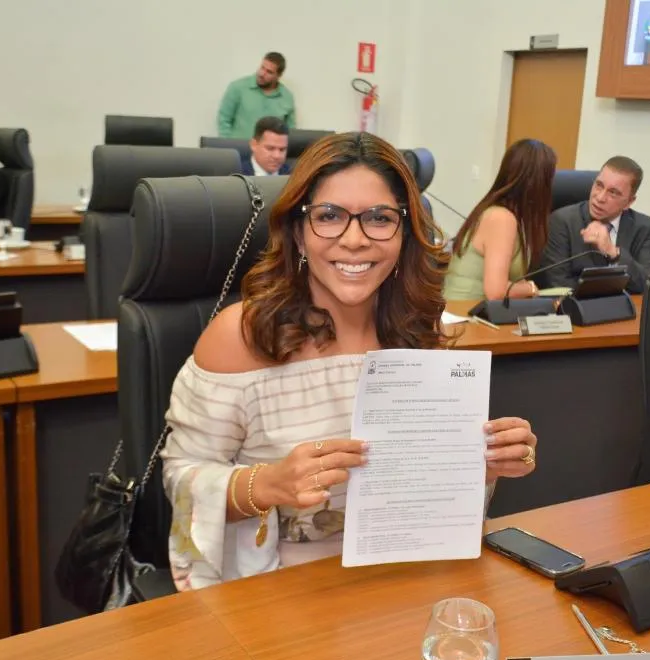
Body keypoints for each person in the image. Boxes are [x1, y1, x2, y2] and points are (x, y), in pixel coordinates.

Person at [161, 132, 538, 590]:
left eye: (379, 218)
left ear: (404, 234)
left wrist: (482, 463)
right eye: (329, 216)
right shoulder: (239, 336)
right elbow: (180, 481)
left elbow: (419, 489)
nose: (355, 239)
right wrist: (269, 484)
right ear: (298, 233)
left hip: (400, 575)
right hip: (277, 587)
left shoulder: (420, 331)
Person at [443, 139, 557, 301]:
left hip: (483, 311)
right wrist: (530, 288)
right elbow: (496, 291)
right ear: (538, 183)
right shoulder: (501, 218)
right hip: (463, 312)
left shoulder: (512, 217)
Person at [538, 156, 650, 294]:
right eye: (599, 185)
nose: (600, 198)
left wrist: (613, 252)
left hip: (623, 306)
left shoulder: (645, 228)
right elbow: (557, 284)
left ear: (629, 202)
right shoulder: (562, 221)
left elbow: (647, 285)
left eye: (613, 192)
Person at [217, 52, 296, 139]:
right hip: (239, 146)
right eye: (262, 68)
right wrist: (229, 144)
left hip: (270, 148)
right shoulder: (238, 87)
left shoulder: (287, 97)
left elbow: (290, 132)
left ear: (278, 75)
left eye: (269, 72)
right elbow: (224, 120)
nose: (262, 74)